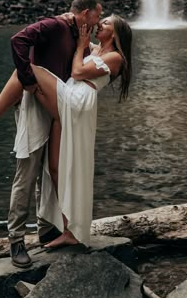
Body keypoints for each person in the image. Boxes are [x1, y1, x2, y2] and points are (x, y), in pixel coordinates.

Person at [0, 0, 103, 268]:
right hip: (38, 106)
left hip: (61, 109)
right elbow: (18, 41)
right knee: (27, 172)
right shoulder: (54, 25)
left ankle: (46, 228)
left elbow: (85, 63)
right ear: (85, 13)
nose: (98, 20)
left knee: (50, 170)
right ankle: (16, 241)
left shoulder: (78, 34)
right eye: (97, 15)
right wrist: (28, 81)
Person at [32, 14, 132, 249]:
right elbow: (77, 31)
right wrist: (66, 18)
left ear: (116, 33)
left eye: (106, 23)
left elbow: (77, 72)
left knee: (28, 71)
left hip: (78, 102)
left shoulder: (115, 57)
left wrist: (80, 48)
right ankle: (67, 228)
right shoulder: (96, 49)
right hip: (69, 97)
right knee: (55, 167)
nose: (101, 24)